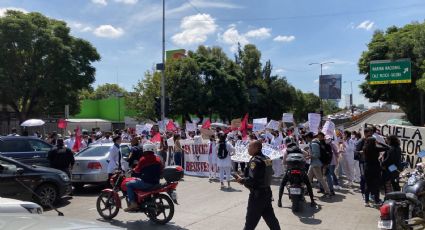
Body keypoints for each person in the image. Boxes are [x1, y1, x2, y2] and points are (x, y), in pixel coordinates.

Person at [235, 140, 281, 230]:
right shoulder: (267, 158)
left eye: (249, 147)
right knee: (271, 219)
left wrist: (242, 180)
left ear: (256, 148)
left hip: (257, 196)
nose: (248, 149)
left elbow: (253, 180)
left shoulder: (255, 161)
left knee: (250, 223)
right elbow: (269, 173)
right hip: (266, 193)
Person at [125, 142, 163, 212]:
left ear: (145, 150)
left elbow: (137, 170)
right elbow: (161, 169)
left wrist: (132, 170)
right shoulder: (158, 159)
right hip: (156, 182)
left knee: (128, 184)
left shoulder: (143, 159)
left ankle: (133, 203)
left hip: (146, 183)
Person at [278, 137, 316, 207]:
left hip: (290, 171)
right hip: (301, 171)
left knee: (282, 184)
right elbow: (307, 154)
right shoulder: (299, 149)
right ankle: (312, 201)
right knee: (308, 184)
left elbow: (283, 162)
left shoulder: (286, 151)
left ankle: (279, 201)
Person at [363, 136, 389, 207]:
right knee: (376, 185)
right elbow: (388, 148)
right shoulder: (376, 148)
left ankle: (366, 201)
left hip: (367, 168)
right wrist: (380, 143)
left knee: (367, 185)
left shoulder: (365, 148)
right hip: (375, 168)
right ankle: (376, 200)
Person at [304, 132, 331, 197]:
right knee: (308, 178)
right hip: (313, 163)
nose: (305, 139)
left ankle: (328, 192)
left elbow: (316, 155)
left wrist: (309, 156)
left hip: (316, 164)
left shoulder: (314, 144)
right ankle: (307, 190)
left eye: (306, 138)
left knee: (320, 178)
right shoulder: (313, 143)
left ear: (308, 137)